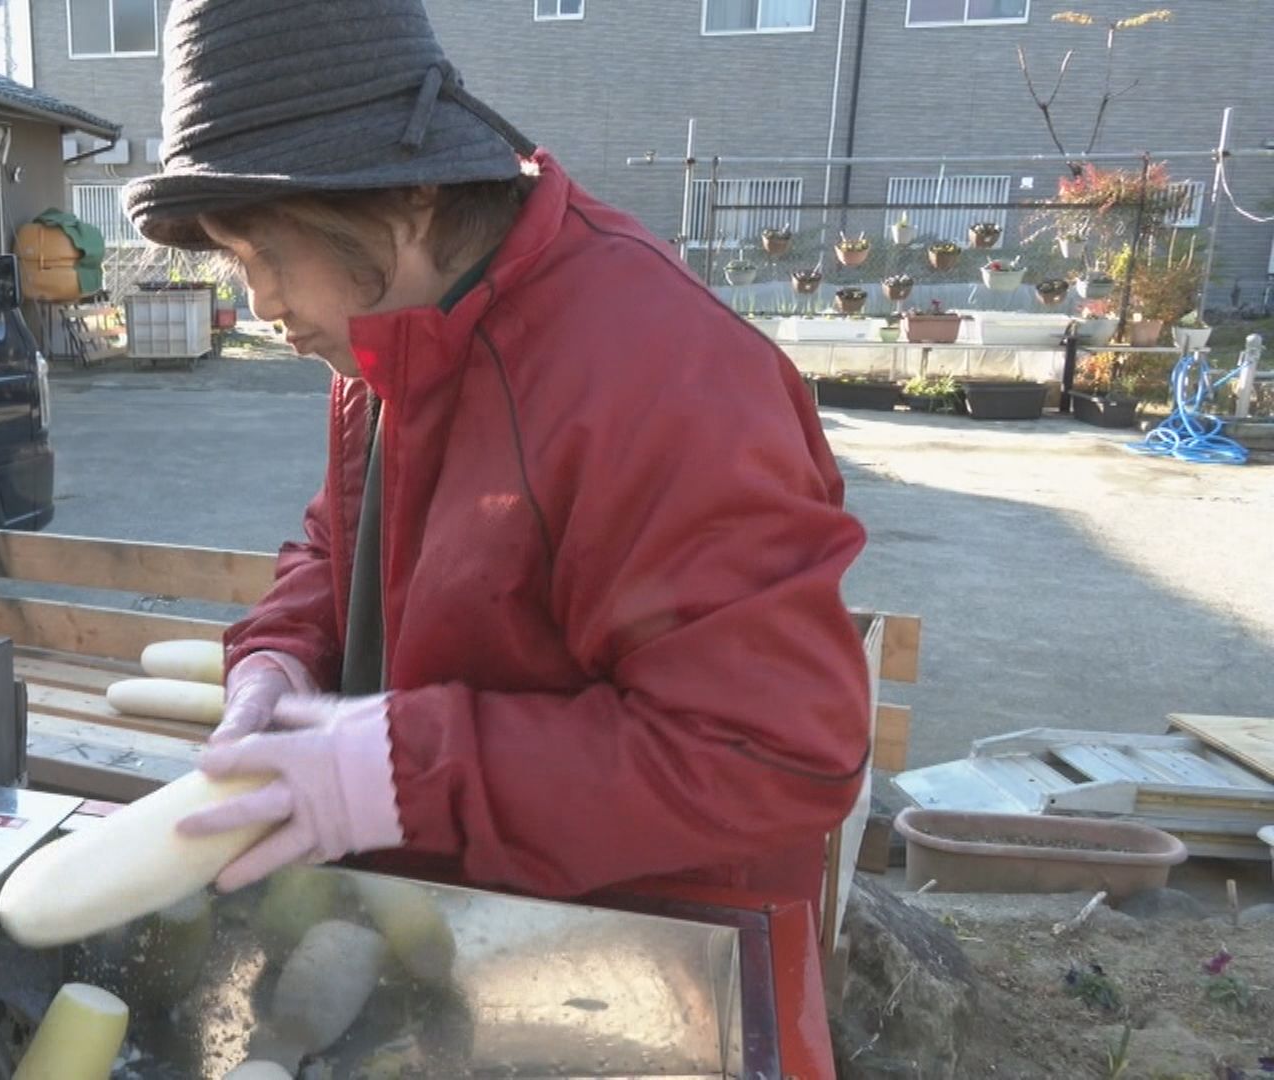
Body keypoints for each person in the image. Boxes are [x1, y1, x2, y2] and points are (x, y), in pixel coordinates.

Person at [125, 0, 871, 909]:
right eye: (236, 258)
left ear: (410, 192)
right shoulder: (391, 331)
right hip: (456, 903)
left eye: (271, 247)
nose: (261, 300)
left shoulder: (654, 370)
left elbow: (768, 755)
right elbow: (346, 542)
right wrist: (281, 655)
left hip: (638, 935)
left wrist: (403, 775)